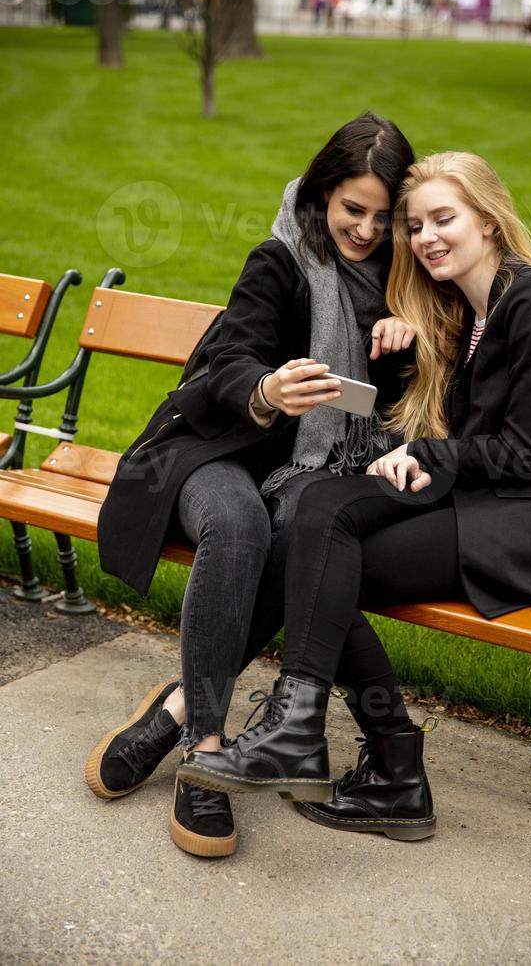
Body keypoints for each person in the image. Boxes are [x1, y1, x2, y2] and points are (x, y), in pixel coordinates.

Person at [177, 151, 531, 842]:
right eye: (415, 226)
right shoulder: (468, 307)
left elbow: (525, 453)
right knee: (317, 512)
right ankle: (324, 740)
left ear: (491, 222)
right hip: (486, 499)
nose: (427, 237)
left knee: (311, 560)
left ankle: (383, 760)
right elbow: (456, 431)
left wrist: (431, 455)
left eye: (445, 218)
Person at [86, 113, 416, 858]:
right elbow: (231, 354)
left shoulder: (407, 287)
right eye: (350, 209)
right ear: (323, 195)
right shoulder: (279, 259)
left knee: (305, 534)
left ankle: (171, 713)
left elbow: (420, 399)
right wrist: (267, 389)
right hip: (216, 448)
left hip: (315, 473)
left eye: (381, 216)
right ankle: (208, 754)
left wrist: (413, 340)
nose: (363, 229)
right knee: (238, 527)